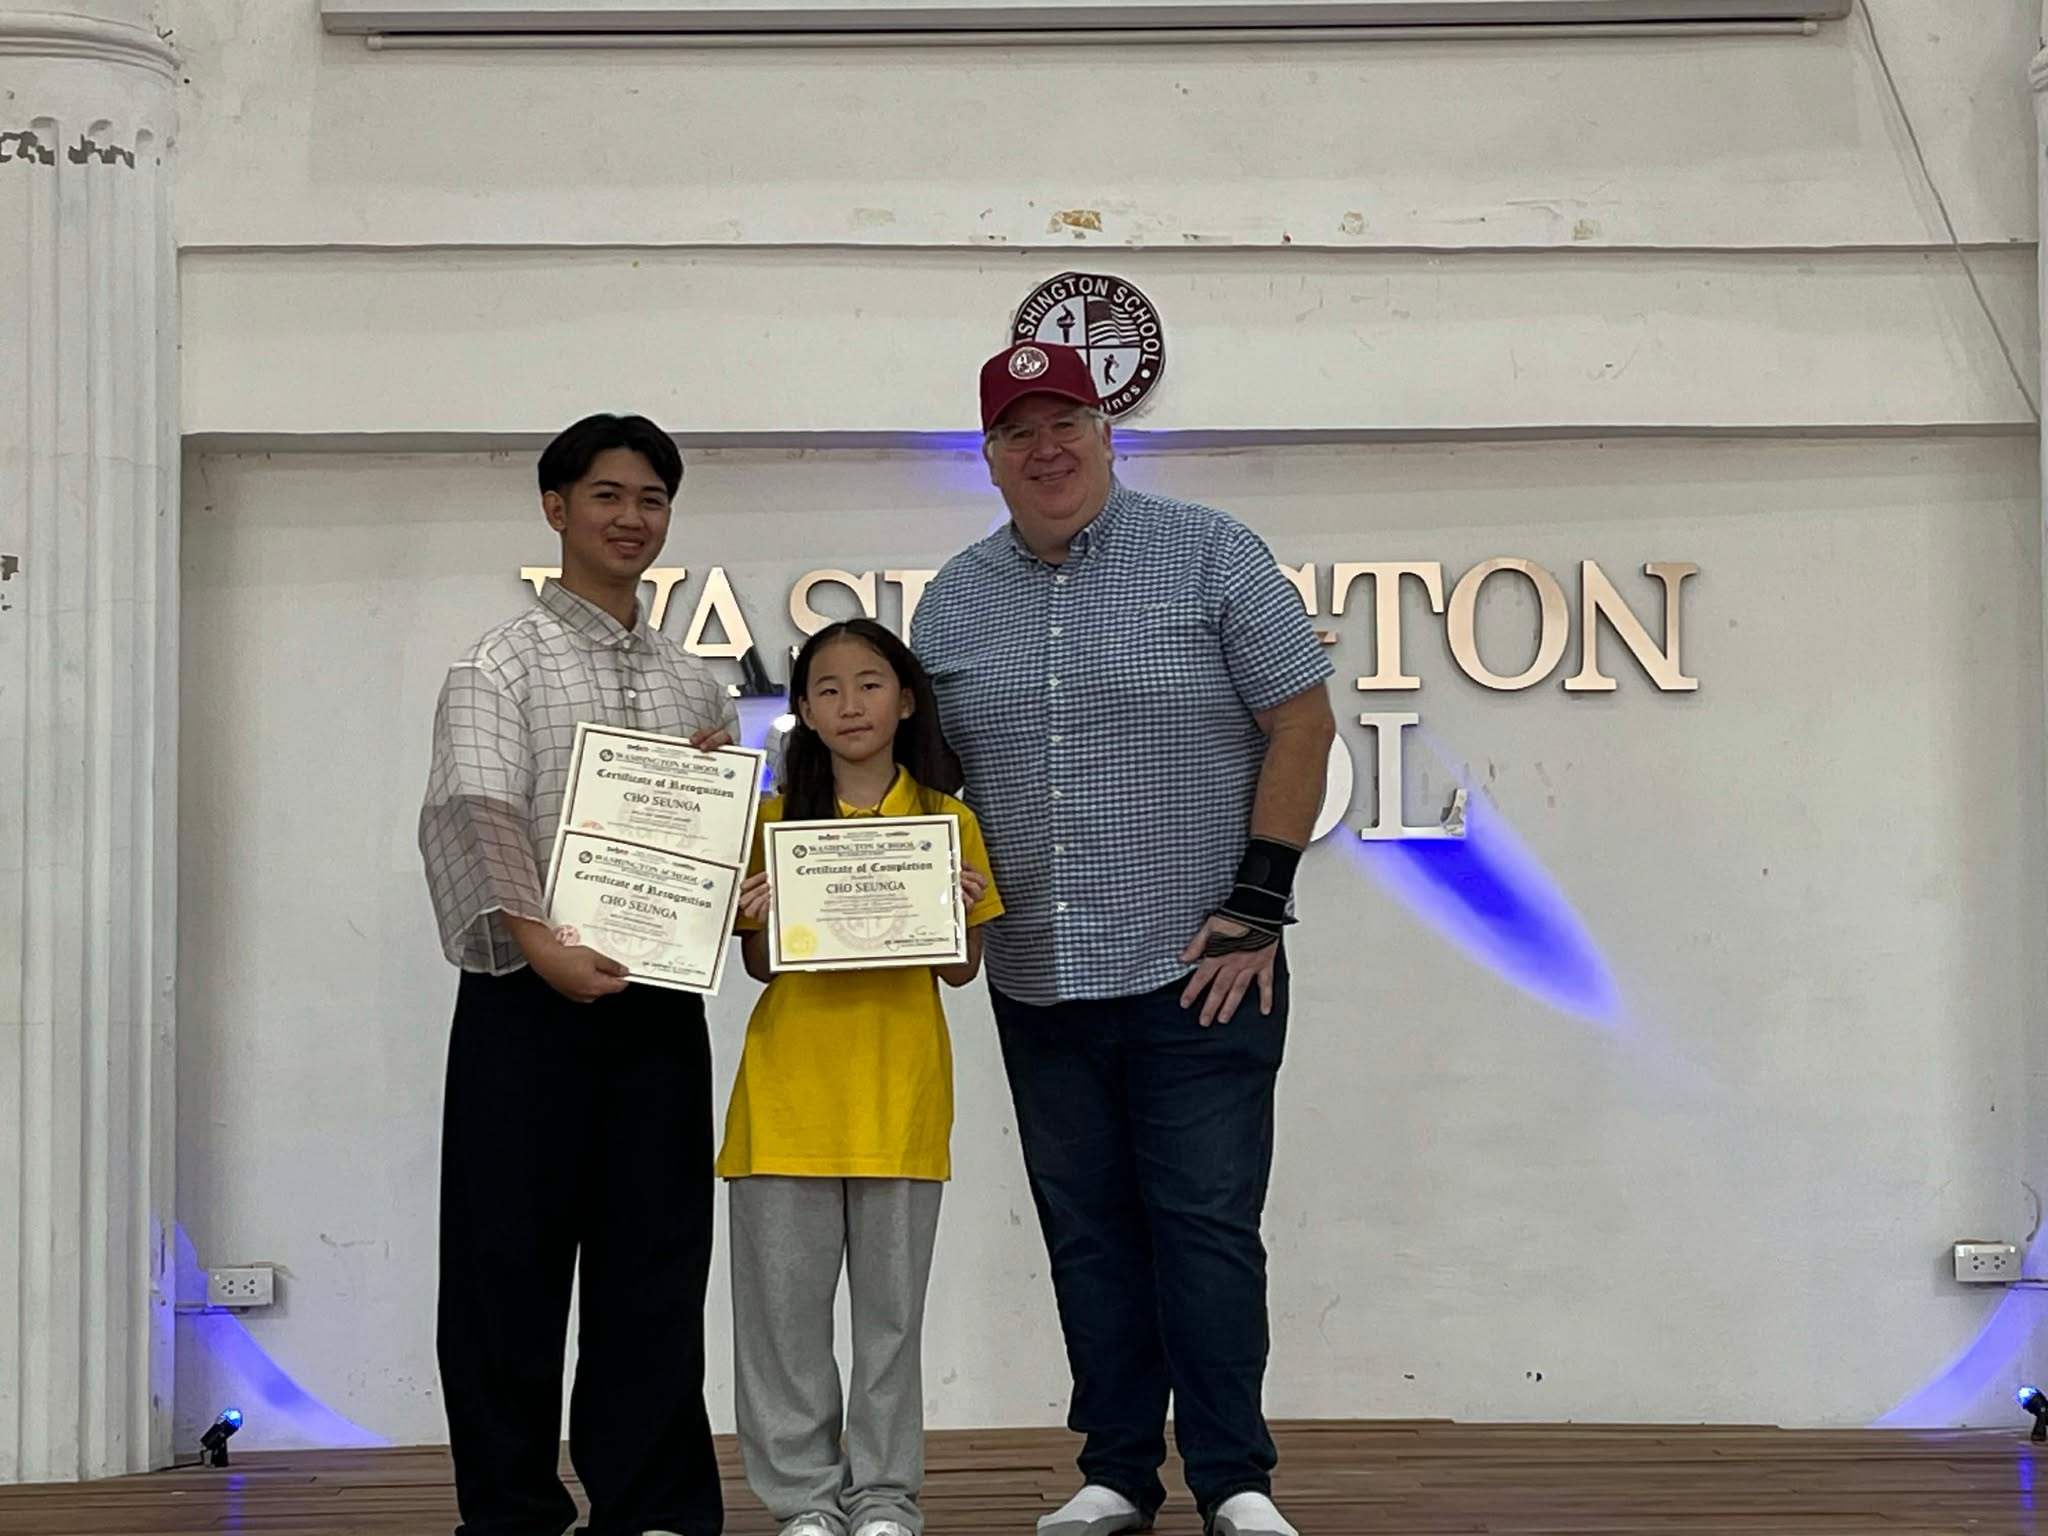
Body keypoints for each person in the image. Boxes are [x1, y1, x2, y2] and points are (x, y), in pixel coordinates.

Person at [909, 344, 1337, 1536]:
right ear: (988, 456)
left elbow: (1301, 723)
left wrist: (1257, 903)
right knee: (1087, 1235)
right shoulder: (951, 602)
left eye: (1066, 423)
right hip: (1037, 976)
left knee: (1203, 1227)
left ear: (1107, 433)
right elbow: (925, 782)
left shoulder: (1210, 553)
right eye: (1017, 431)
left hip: (1199, 968)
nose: (1044, 449)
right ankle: (1114, 1471)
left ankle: (1233, 1481)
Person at [418, 413, 733, 1536]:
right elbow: (474, 808)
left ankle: (651, 1501)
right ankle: (509, 1508)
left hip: (658, 1005)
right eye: (607, 495)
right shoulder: (498, 662)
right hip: (525, 1000)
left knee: (657, 1260)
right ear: (555, 508)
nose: (631, 518)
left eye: (652, 498)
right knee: (505, 1266)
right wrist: (539, 940)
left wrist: (726, 847)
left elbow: (710, 839)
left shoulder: (697, 682)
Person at [720, 618, 1004, 1536]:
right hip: (785, 1103)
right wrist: (758, 917)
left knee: (891, 1325)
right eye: (828, 689)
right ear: (803, 711)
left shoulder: (948, 822)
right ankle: (804, 1502)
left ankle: (885, 1500)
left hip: (900, 1099)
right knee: (783, 1327)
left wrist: (951, 906)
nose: (850, 705)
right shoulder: (771, 824)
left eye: (870, 684)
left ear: (907, 700)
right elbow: (761, 966)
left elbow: (959, 970)